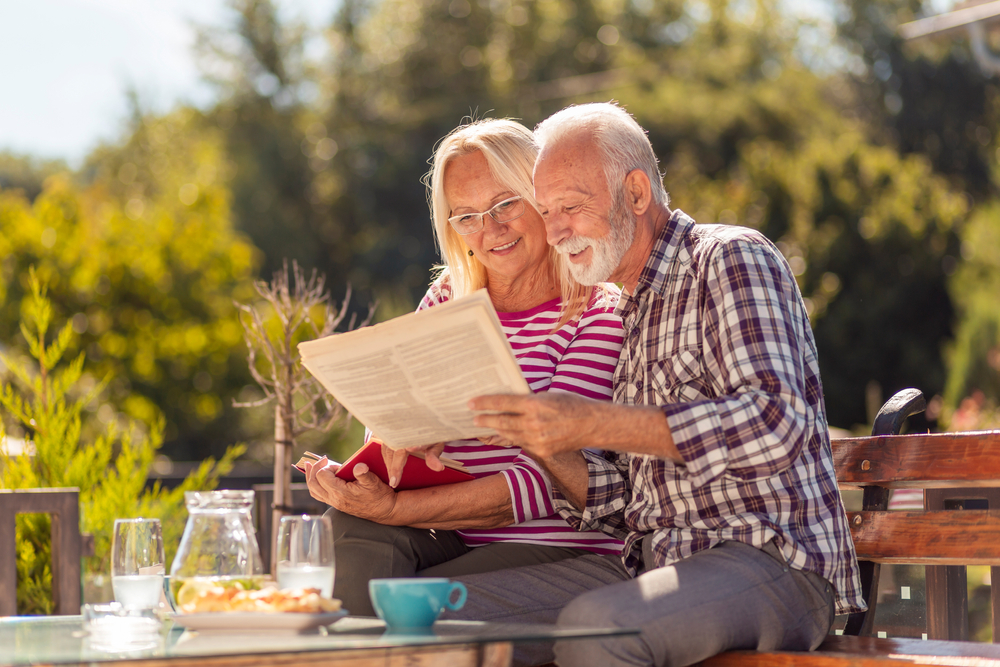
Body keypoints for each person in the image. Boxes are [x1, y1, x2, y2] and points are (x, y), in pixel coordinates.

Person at [455, 103, 866, 667]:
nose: (553, 233)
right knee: (434, 620)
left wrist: (591, 421)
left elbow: (778, 423)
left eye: (570, 208)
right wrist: (538, 440)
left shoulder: (728, 258)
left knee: (597, 628)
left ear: (638, 193)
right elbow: (622, 501)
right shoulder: (628, 309)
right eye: (546, 212)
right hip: (654, 564)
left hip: (772, 561)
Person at [302, 118, 625, 617]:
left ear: (539, 196)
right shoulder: (449, 297)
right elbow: (389, 427)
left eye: (505, 205)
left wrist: (397, 510)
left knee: (403, 602)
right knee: (349, 526)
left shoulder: (598, 309)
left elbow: (547, 481)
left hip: (554, 545)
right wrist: (391, 446)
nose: (489, 229)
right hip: (454, 535)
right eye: (466, 216)